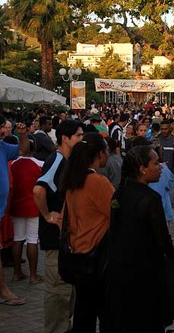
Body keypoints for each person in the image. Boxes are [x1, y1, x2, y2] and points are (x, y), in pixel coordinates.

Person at [106, 145, 173, 333]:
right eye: (156, 163)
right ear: (143, 169)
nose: (160, 167)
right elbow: (162, 240)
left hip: (120, 271)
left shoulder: (120, 192)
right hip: (145, 273)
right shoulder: (150, 199)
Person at [60, 133, 114, 333]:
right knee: (107, 313)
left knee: (84, 312)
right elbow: (118, 213)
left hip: (78, 254)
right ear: (100, 154)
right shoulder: (98, 182)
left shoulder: (73, 179)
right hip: (97, 257)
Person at [33, 120, 84, 333]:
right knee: (58, 292)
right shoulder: (57, 160)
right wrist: (47, 215)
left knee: (68, 292)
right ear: (66, 138)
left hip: (67, 240)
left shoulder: (69, 162)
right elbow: (38, 190)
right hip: (55, 239)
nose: (82, 140)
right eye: (79, 136)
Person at [0, 113, 29, 306]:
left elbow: (22, 150)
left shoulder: (1, 147)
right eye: (0, 127)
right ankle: (3, 292)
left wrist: (23, 134)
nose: (4, 130)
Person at [10, 140, 44, 283]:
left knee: (17, 239)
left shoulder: (13, 164)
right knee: (32, 240)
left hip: (16, 205)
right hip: (33, 206)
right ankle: (33, 275)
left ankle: (16, 273)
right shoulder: (40, 164)